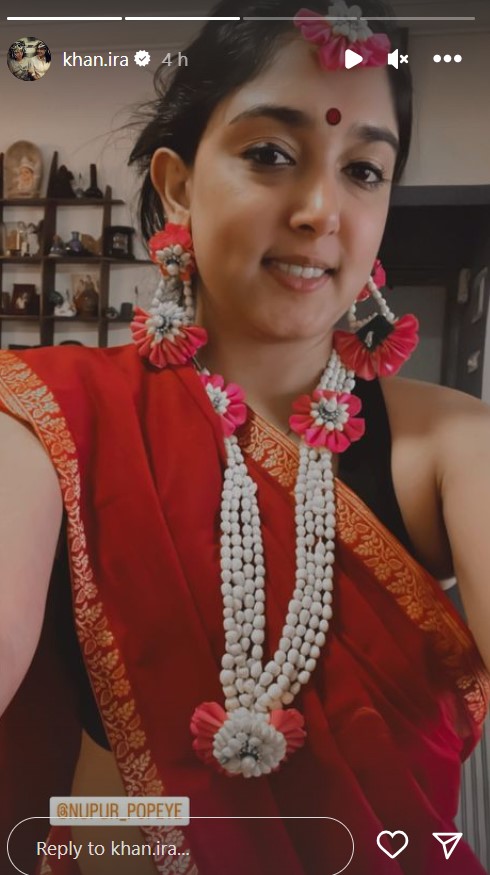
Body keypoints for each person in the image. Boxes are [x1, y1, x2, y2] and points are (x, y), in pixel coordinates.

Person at [0, 1, 489, 874]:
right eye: (270, 153)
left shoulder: (454, 446)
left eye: (364, 170)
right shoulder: (51, 417)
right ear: (179, 183)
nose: (320, 210)